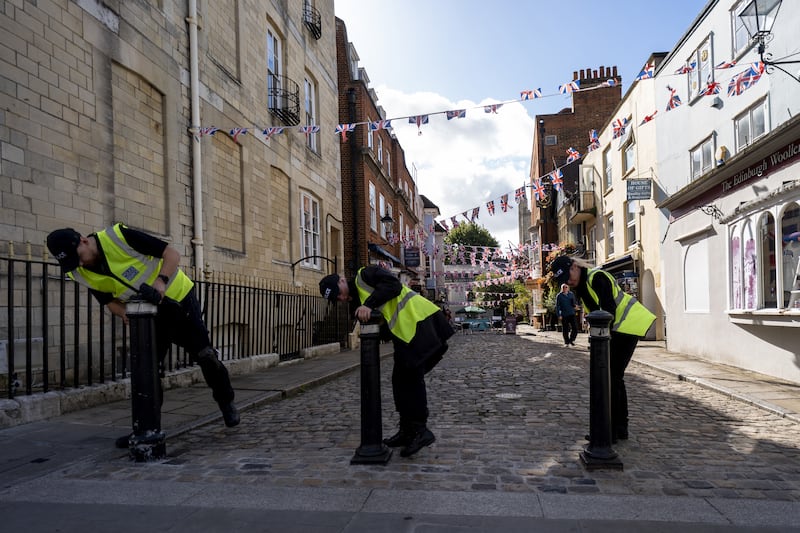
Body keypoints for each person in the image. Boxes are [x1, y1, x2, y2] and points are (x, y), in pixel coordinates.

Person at [46, 223, 240, 447]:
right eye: (71, 261)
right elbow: (109, 302)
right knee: (146, 370)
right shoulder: (78, 271)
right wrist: (126, 314)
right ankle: (146, 428)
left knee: (205, 355)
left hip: (178, 299)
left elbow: (171, 254)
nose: (79, 264)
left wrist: (160, 283)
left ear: (83, 241)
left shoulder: (118, 237)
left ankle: (226, 403)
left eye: (78, 257)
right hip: (146, 316)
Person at [319, 266, 453, 458]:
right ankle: (407, 431)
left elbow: (394, 286)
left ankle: (421, 431)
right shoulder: (357, 299)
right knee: (399, 382)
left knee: (411, 381)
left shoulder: (365, 275)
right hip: (406, 335)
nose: (340, 299)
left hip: (421, 323)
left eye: (338, 294)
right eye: (336, 300)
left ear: (341, 281)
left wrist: (369, 305)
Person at [550, 255, 655, 441]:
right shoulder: (581, 287)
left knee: (612, 378)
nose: (567, 281)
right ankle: (619, 428)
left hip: (626, 327)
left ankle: (610, 431)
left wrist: (601, 340)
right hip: (617, 331)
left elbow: (608, 311)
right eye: (563, 279)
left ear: (575, 266)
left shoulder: (597, 277)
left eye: (568, 275)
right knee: (614, 379)